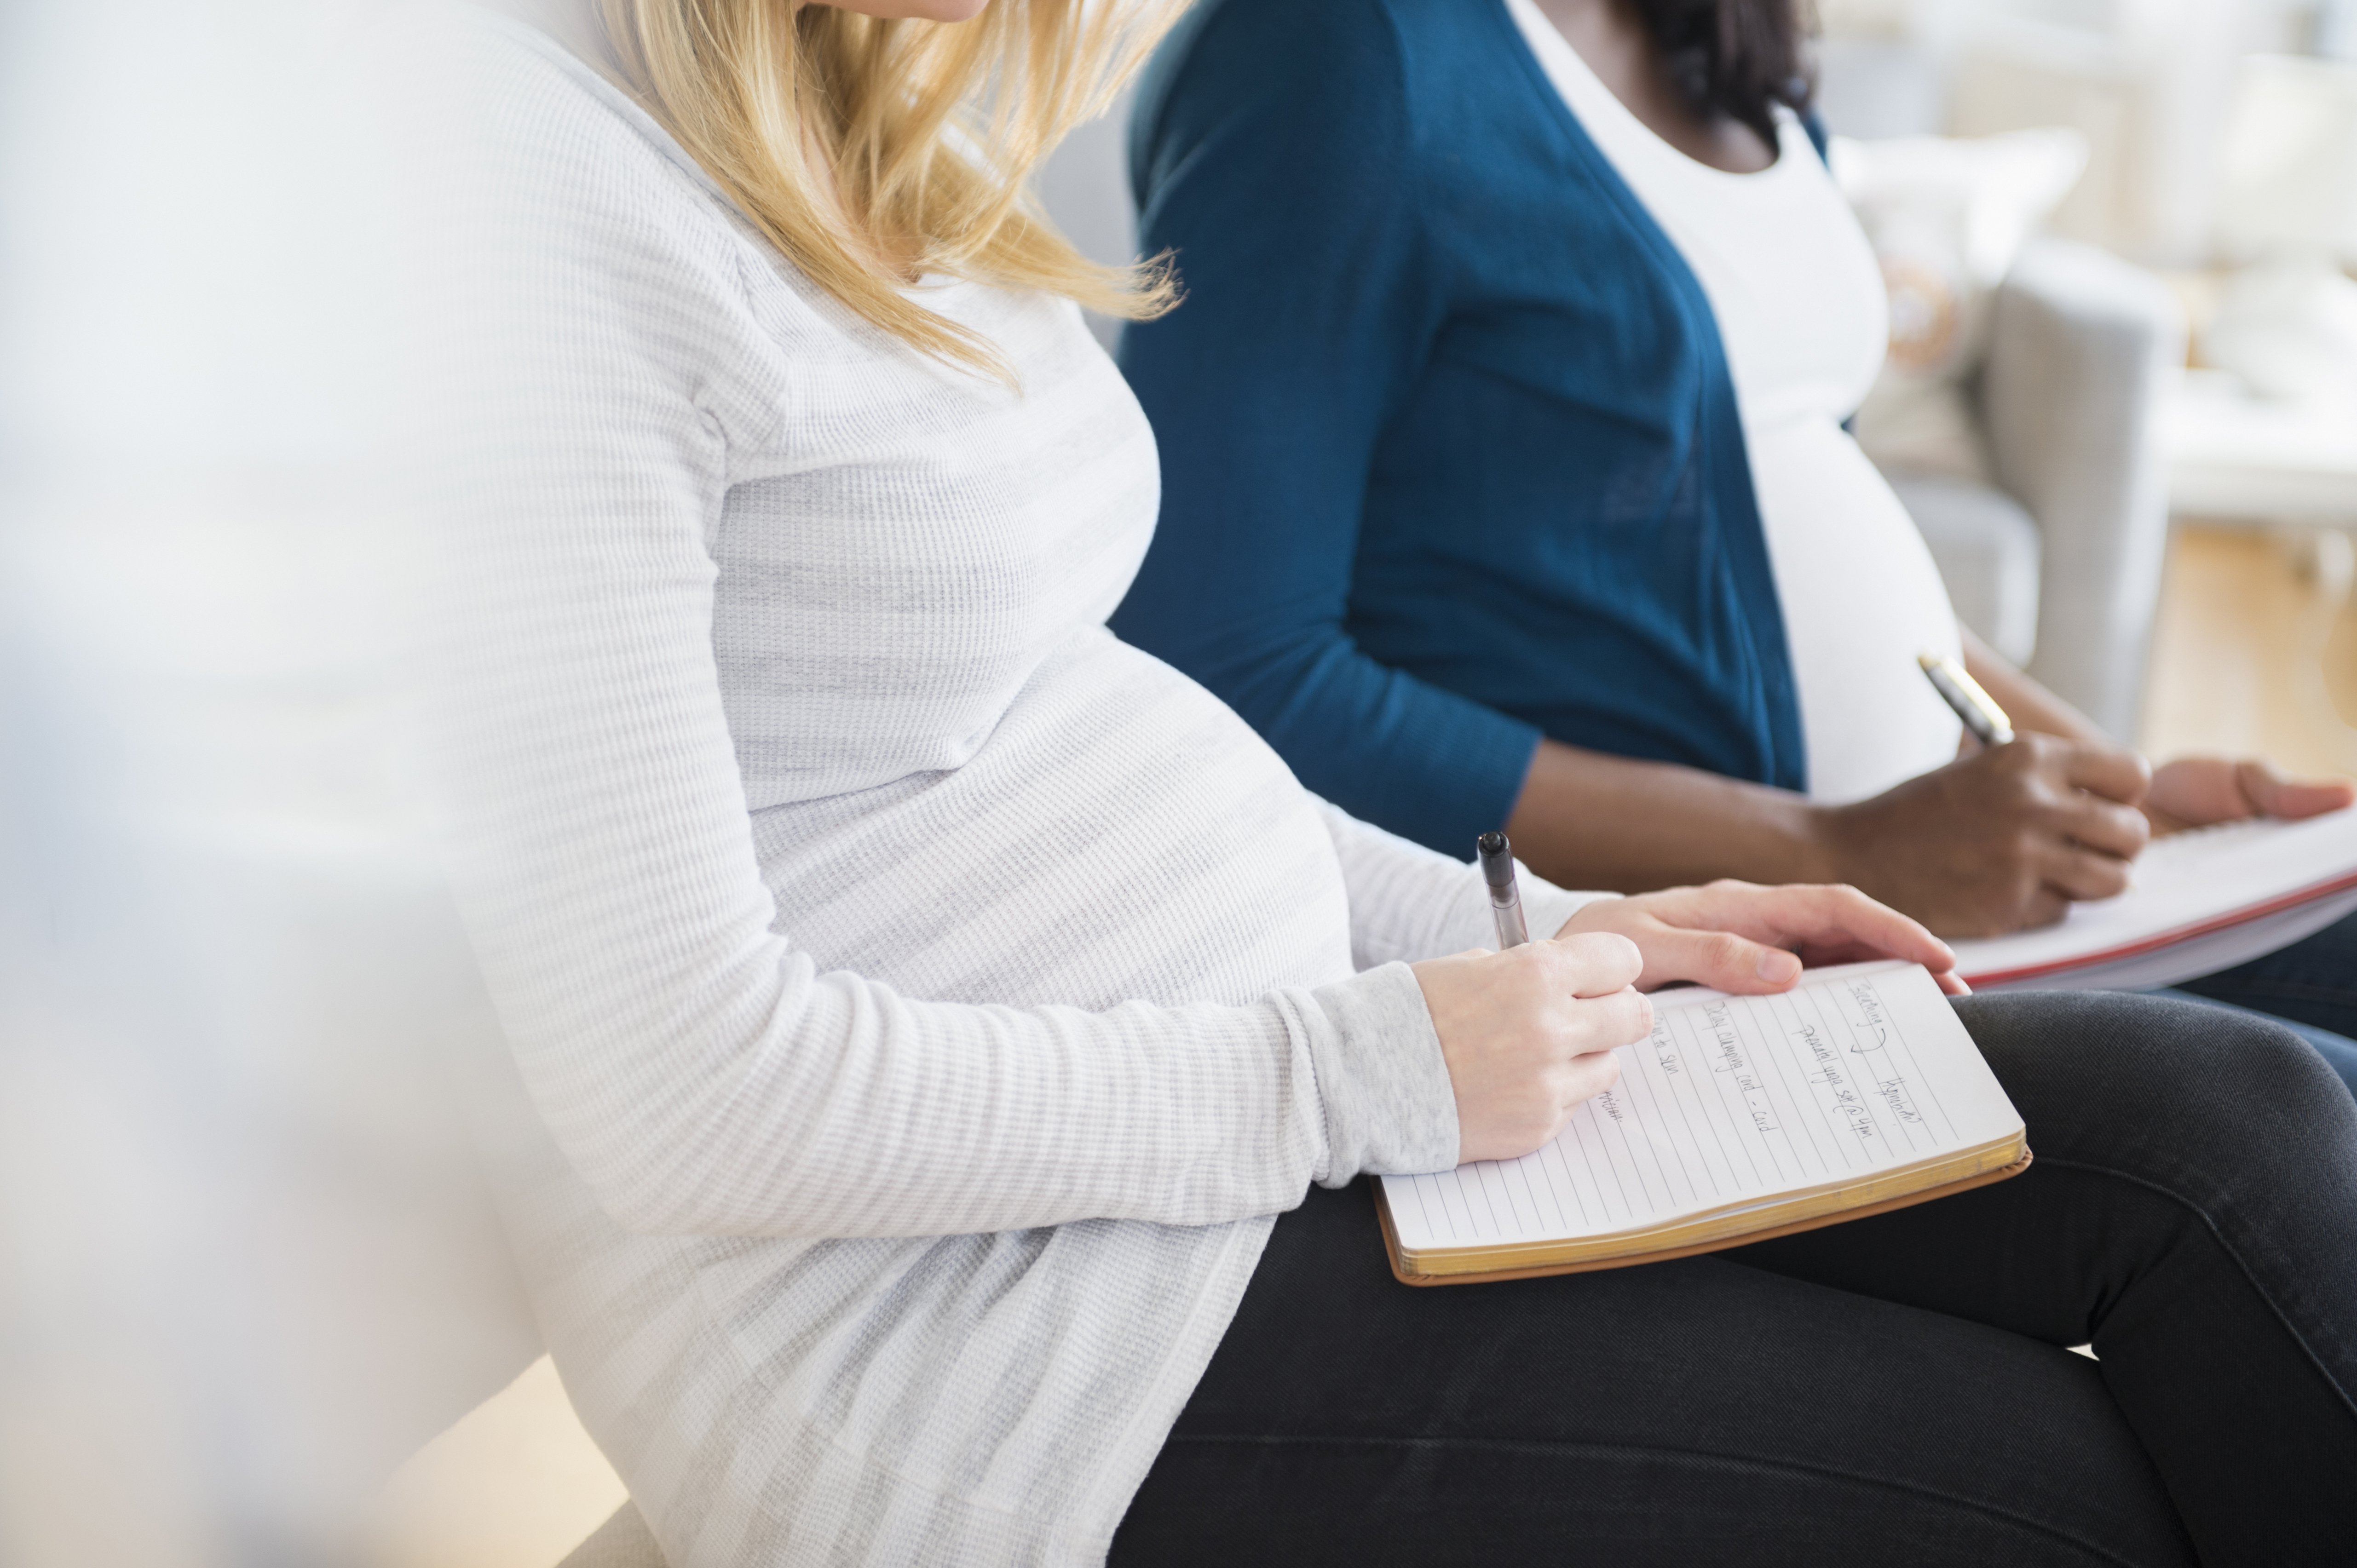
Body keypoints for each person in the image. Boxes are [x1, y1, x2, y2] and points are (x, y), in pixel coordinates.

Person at [422, 0, 2357, 1562]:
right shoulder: (533, 208)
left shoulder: (865, 109)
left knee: (2246, 1125)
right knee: (2065, 1490)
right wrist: (1366, 1068)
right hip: (1003, 1331)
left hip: (1287, 1095)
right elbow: (688, 1102)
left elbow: (1077, 708)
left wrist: (1581, 936)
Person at [1109, 0, 2357, 1095]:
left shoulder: (1721, 36)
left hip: (1938, 887)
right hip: (1719, 953)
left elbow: (1790, 520)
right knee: (2300, 1124)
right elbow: (1227, 666)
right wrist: (1834, 851)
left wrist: (2101, 779)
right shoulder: (1329, 51)